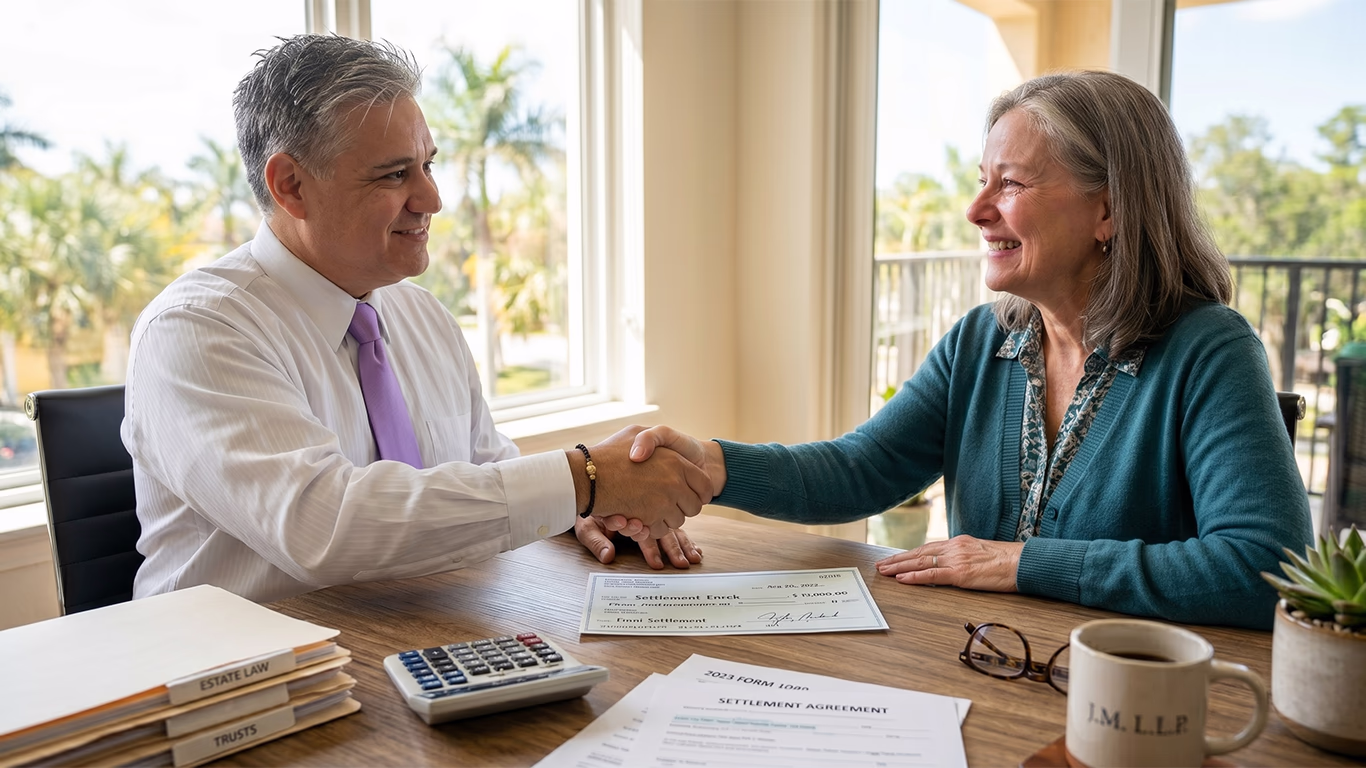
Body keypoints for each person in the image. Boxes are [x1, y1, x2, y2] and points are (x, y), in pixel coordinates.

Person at [631, 70, 1313, 630]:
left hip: (1132, 713)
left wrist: (1019, 563)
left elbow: (1263, 568)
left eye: (1010, 183)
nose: (977, 209)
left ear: (1109, 211)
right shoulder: (980, 342)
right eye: (983, 179)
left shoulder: (1210, 352)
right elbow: (864, 469)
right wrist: (710, 464)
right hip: (986, 668)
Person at [122, 35, 706, 604]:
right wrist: (584, 479)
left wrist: (581, 512)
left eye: (428, 165)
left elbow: (485, 468)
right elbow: (326, 528)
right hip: (243, 682)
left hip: (423, 644)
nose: (432, 199)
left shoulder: (423, 315)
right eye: (394, 175)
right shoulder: (196, 331)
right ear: (291, 185)